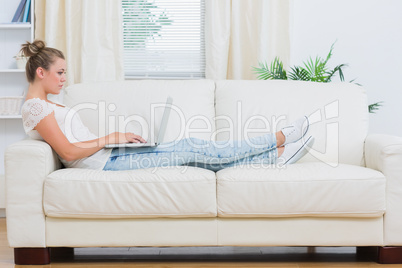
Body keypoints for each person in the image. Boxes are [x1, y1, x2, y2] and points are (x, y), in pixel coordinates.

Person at [20, 40, 314, 172]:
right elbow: (68, 151)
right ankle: (278, 139)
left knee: (197, 157)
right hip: (104, 164)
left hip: (109, 157)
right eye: (60, 73)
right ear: (40, 72)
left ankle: (273, 158)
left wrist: (117, 141)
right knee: (191, 147)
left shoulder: (49, 104)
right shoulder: (35, 108)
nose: (64, 78)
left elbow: (75, 143)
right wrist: (112, 138)